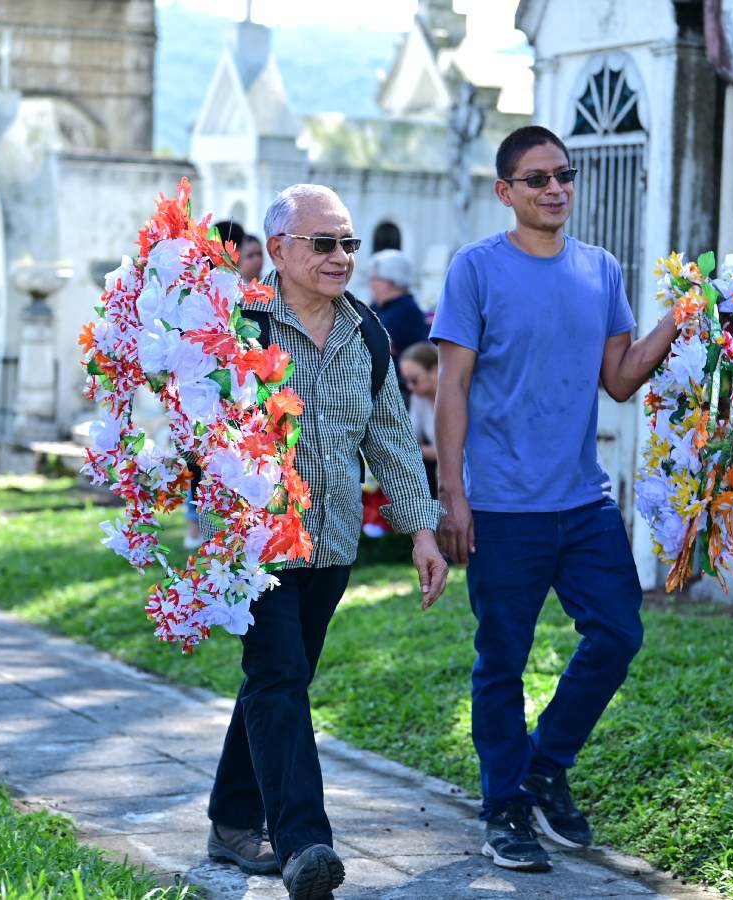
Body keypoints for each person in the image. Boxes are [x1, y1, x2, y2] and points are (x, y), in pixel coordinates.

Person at [431, 126, 679, 873]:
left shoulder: (600, 270)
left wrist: (682, 317)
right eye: (535, 178)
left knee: (619, 633)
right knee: (501, 661)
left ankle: (544, 767)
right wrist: (453, 497)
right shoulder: (476, 270)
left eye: (562, 175)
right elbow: (452, 389)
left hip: (582, 502)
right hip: (503, 507)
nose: (554, 188)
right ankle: (504, 806)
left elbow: (623, 378)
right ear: (505, 191)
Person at [205, 184, 447, 900]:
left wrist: (422, 532)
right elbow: (190, 419)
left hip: (333, 541)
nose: (340, 256)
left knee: (279, 681)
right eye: (323, 243)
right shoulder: (236, 325)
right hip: (255, 545)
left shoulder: (368, 332)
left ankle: (230, 818)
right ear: (278, 251)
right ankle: (306, 842)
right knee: (279, 678)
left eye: (348, 243)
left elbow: (393, 443)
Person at [185, 226, 263, 550]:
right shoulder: (201, 297)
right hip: (210, 400)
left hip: (241, 403)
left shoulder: (254, 301)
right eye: (249, 254)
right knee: (209, 463)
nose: (255, 261)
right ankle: (211, 530)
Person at [367, 249, 429, 391]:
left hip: (398, 390)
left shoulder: (406, 311)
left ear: (390, 282)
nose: (371, 285)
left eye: (375, 279)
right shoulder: (378, 306)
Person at [399, 341, 438, 497]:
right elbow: (409, 440)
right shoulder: (419, 397)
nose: (410, 387)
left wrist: (421, 450)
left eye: (414, 380)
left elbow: (463, 454)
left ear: (434, 371)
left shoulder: (458, 398)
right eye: (406, 381)